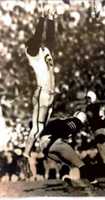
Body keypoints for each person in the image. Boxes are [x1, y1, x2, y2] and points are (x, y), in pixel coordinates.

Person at [37, 111, 102, 188]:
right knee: (80, 163)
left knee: (65, 163)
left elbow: (49, 127)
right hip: (53, 142)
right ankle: (94, 183)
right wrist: (52, 140)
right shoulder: (75, 122)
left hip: (43, 145)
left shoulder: (63, 119)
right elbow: (62, 130)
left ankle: (65, 177)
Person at [24, 8, 56, 157]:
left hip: (49, 91)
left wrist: (51, 19)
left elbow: (51, 38)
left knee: (42, 128)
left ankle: (33, 151)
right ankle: (25, 155)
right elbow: (37, 37)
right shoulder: (33, 55)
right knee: (37, 128)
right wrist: (42, 18)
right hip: (43, 92)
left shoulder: (45, 50)